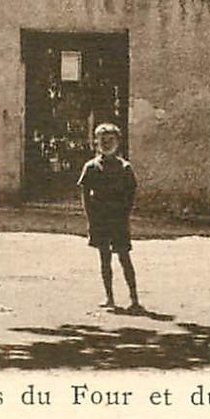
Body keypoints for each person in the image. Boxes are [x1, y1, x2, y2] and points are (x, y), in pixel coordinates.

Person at [77, 122, 141, 311]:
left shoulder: (125, 168)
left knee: (124, 257)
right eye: (102, 140)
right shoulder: (91, 167)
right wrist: (91, 219)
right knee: (104, 259)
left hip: (118, 219)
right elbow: (85, 196)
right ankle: (110, 297)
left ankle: (134, 299)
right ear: (95, 142)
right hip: (100, 220)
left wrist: (123, 216)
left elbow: (130, 195)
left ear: (118, 142)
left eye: (110, 140)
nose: (106, 144)